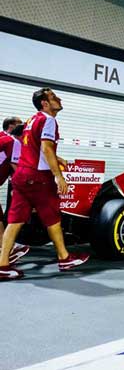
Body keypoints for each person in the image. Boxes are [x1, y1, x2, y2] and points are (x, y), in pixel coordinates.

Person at [0, 88, 89, 281]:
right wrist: (59, 176)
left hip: (21, 175)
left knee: (15, 221)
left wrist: (57, 158)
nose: (59, 99)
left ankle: (2, 265)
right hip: (38, 177)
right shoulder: (49, 120)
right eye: (54, 97)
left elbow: (35, 147)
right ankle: (64, 258)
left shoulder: (32, 120)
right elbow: (46, 148)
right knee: (52, 217)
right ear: (45, 103)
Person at [0, 124, 29, 264]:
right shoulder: (15, 143)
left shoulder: (5, 139)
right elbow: (17, 169)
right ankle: (6, 249)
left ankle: (6, 248)